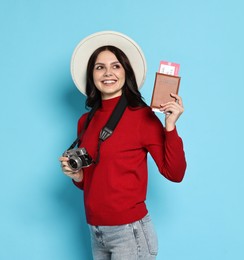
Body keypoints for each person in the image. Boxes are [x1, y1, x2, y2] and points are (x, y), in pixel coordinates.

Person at [59, 31, 186, 260]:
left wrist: (170, 127)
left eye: (115, 66)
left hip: (130, 233)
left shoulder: (141, 117)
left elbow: (175, 173)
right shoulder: (85, 122)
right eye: (99, 67)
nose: (108, 72)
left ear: (126, 72)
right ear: (92, 75)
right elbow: (95, 181)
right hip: (96, 231)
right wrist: (77, 176)